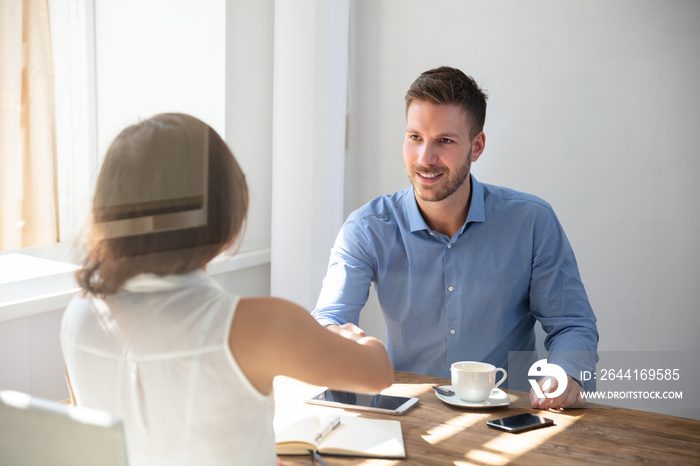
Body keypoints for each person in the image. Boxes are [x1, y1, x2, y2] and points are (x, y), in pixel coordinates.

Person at [60, 113, 394, 466]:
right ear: (223, 208)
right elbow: (378, 373)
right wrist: (353, 337)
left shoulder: (79, 314)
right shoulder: (258, 324)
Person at [312, 66, 598, 409]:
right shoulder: (367, 228)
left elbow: (571, 324)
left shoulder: (532, 222)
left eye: (444, 141)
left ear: (476, 146)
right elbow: (330, 316)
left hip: (510, 411)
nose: (424, 158)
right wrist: (334, 338)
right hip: (409, 411)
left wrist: (564, 373)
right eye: (415, 137)